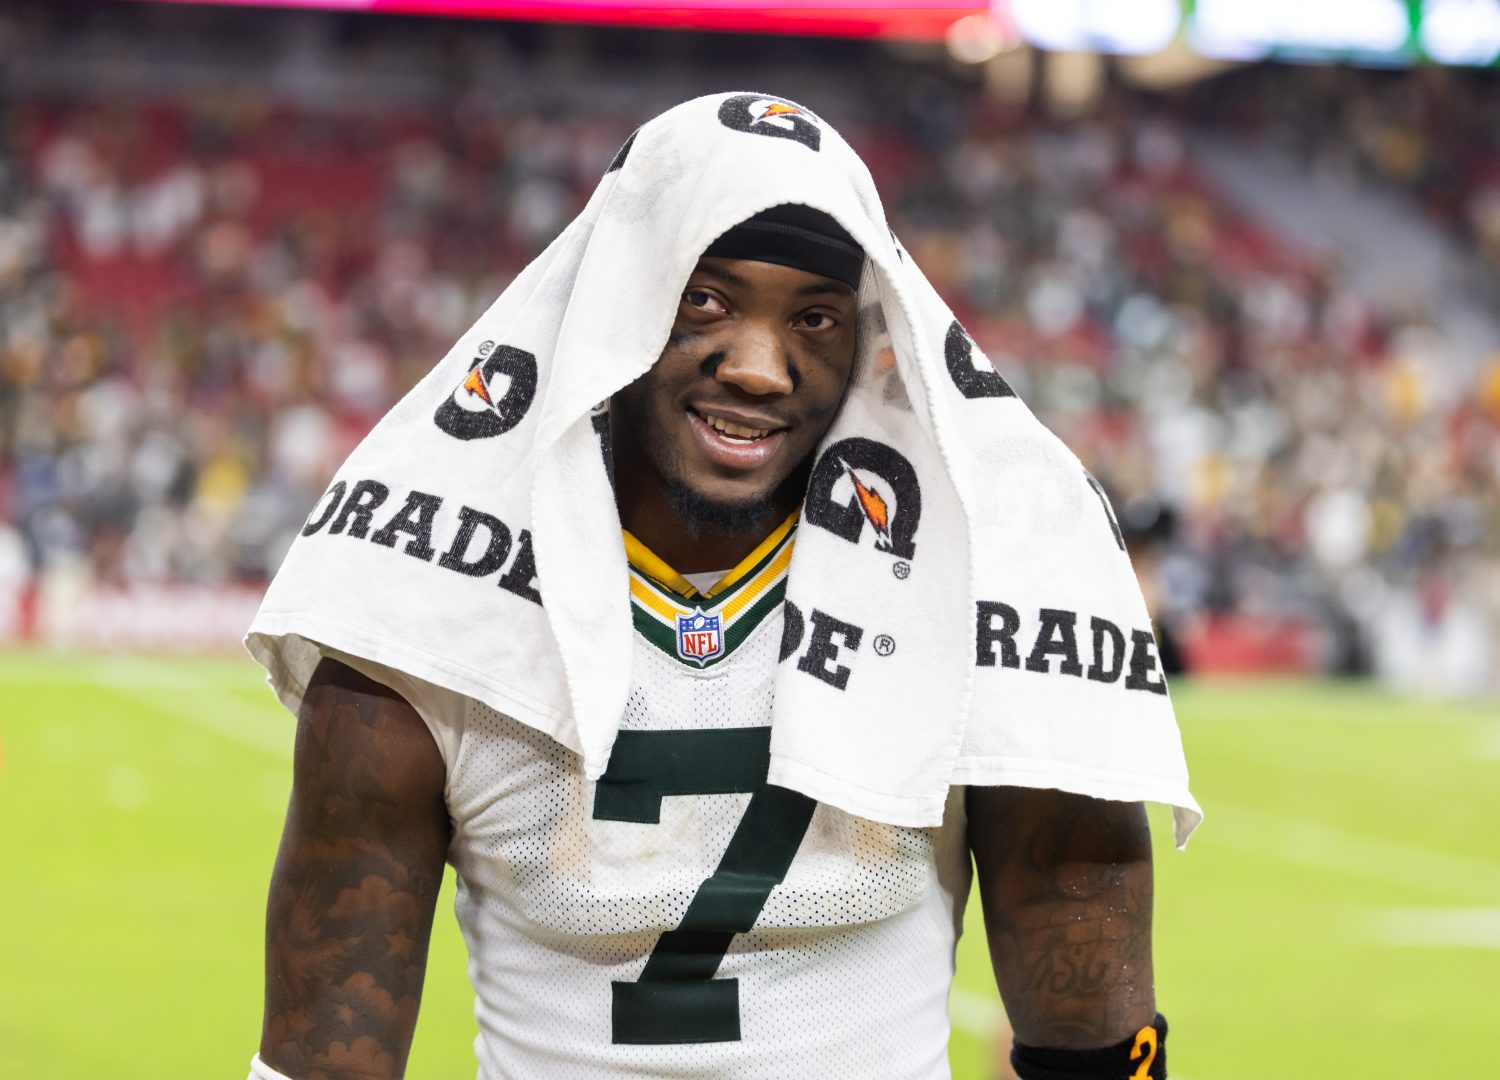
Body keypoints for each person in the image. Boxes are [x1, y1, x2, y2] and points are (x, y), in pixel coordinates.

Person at [247, 94, 1194, 1080]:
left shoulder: (976, 598)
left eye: (814, 316)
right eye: (706, 300)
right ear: (615, 300)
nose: (757, 367)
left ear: (869, 338)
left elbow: (1090, 1045)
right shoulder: (423, 615)